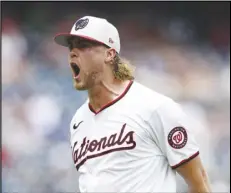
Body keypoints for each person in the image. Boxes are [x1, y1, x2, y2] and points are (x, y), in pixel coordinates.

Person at [54, 16, 211, 193]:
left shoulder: (155, 108)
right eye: (71, 46)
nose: (73, 52)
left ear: (110, 54)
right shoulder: (78, 121)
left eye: (83, 46)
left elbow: (199, 183)